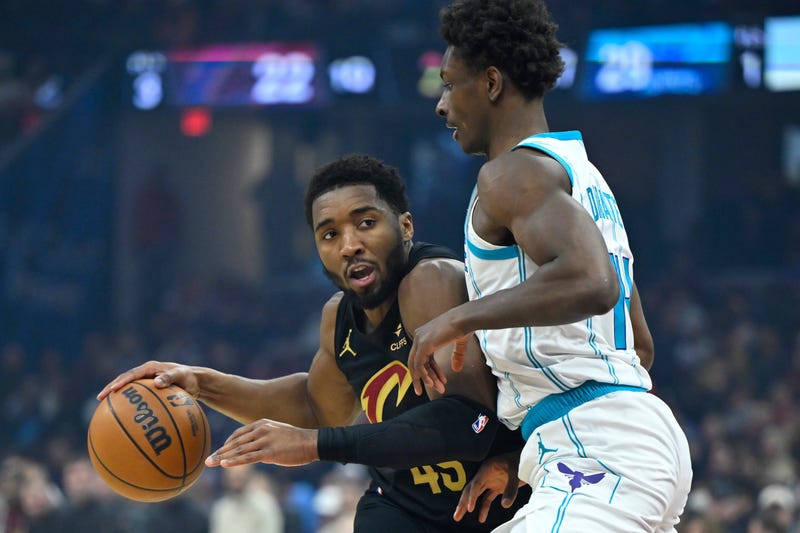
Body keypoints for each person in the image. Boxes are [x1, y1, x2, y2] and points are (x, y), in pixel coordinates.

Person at [98, 154, 528, 532]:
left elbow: (470, 424)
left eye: (366, 223)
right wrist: (201, 383)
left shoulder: (430, 280)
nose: (349, 245)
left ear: (406, 226)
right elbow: (313, 407)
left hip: (496, 497)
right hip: (407, 505)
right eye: (329, 235)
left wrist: (315, 445)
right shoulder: (338, 318)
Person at [406, 1, 693, 531]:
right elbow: (639, 346)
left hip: (599, 446)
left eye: (449, 84)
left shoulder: (510, 175)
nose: (441, 105)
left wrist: (455, 319)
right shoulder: (585, 177)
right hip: (611, 438)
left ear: (491, 83)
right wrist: (521, 454)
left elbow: (591, 281)